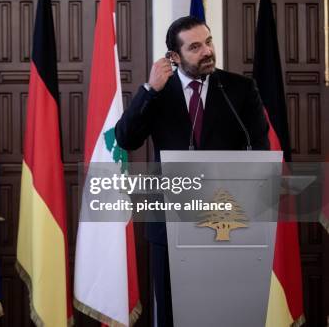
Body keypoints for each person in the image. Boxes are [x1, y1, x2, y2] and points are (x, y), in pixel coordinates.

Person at [114, 16, 270, 327]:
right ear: (174, 56)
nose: (207, 51)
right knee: (173, 314)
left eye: (209, 42)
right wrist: (148, 90)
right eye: (195, 47)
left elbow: (260, 152)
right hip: (171, 224)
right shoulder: (159, 93)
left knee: (224, 313)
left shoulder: (239, 89)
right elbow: (126, 139)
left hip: (226, 223)